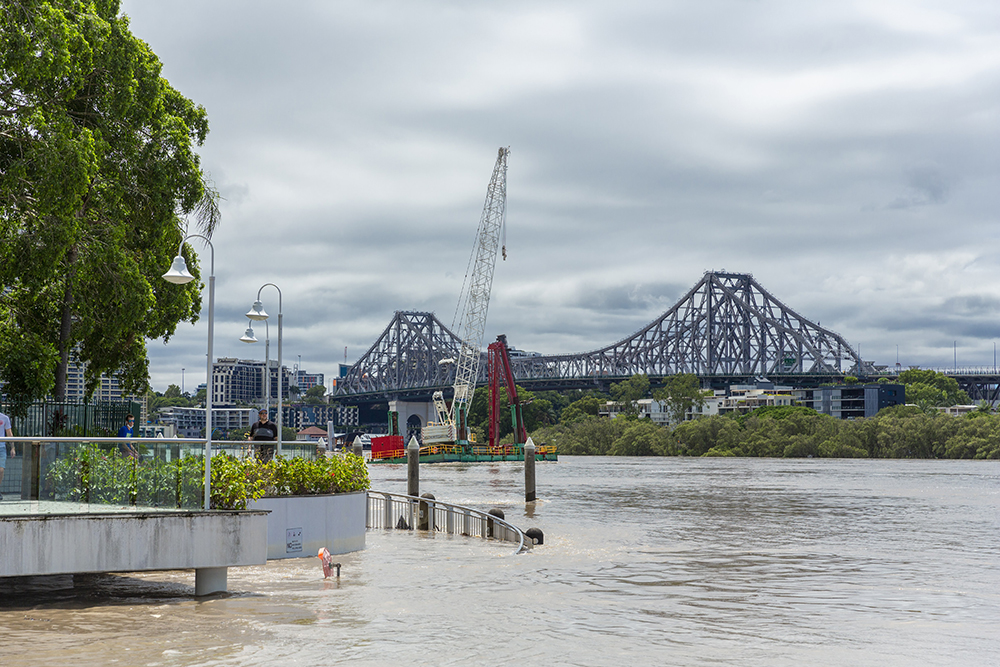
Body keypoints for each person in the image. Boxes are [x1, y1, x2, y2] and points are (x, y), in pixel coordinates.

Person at [0, 410, 12, 500]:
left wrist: (13, 447)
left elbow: (9, 433)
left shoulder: (4, 418)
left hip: (1, 447)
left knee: (1, 470)